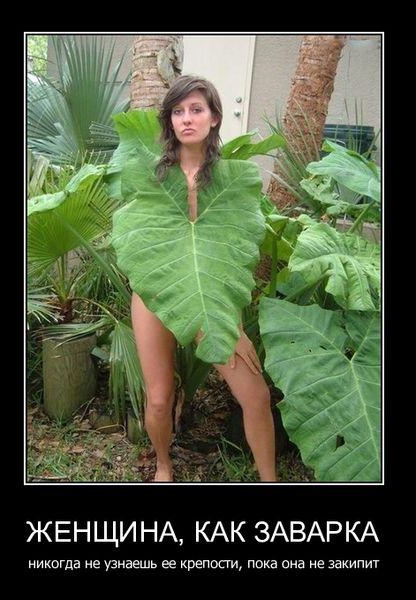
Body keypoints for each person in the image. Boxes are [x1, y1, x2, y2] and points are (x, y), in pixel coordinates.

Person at [131, 75, 277, 482]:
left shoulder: (234, 179)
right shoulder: (151, 177)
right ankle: (163, 465)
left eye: (196, 109)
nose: (186, 118)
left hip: (210, 295)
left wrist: (231, 317)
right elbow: (137, 241)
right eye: (177, 111)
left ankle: (269, 479)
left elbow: (235, 255)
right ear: (169, 121)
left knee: (256, 395)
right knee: (158, 400)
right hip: (157, 290)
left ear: (214, 117)